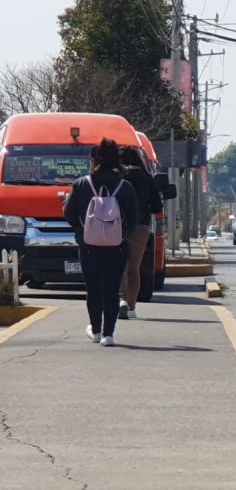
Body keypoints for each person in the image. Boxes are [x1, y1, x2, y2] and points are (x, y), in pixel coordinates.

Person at [64, 139, 139, 347]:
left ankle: (95, 330)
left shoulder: (81, 184)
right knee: (112, 288)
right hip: (118, 245)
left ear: (95, 158)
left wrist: (81, 232)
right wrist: (123, 235)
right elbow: (134, 217)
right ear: (117, 158)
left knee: (93, 288)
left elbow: (68, 213)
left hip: (88, 245)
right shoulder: (125, 187)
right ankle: (109, 334)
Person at [117, 147, 163, 320]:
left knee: (119, 264)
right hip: (141, 225)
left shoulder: (118, 177)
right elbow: (157, 207)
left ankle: (120, 299)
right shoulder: (146, 178)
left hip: (118, 224)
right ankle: (132, 307)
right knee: (134, 268)